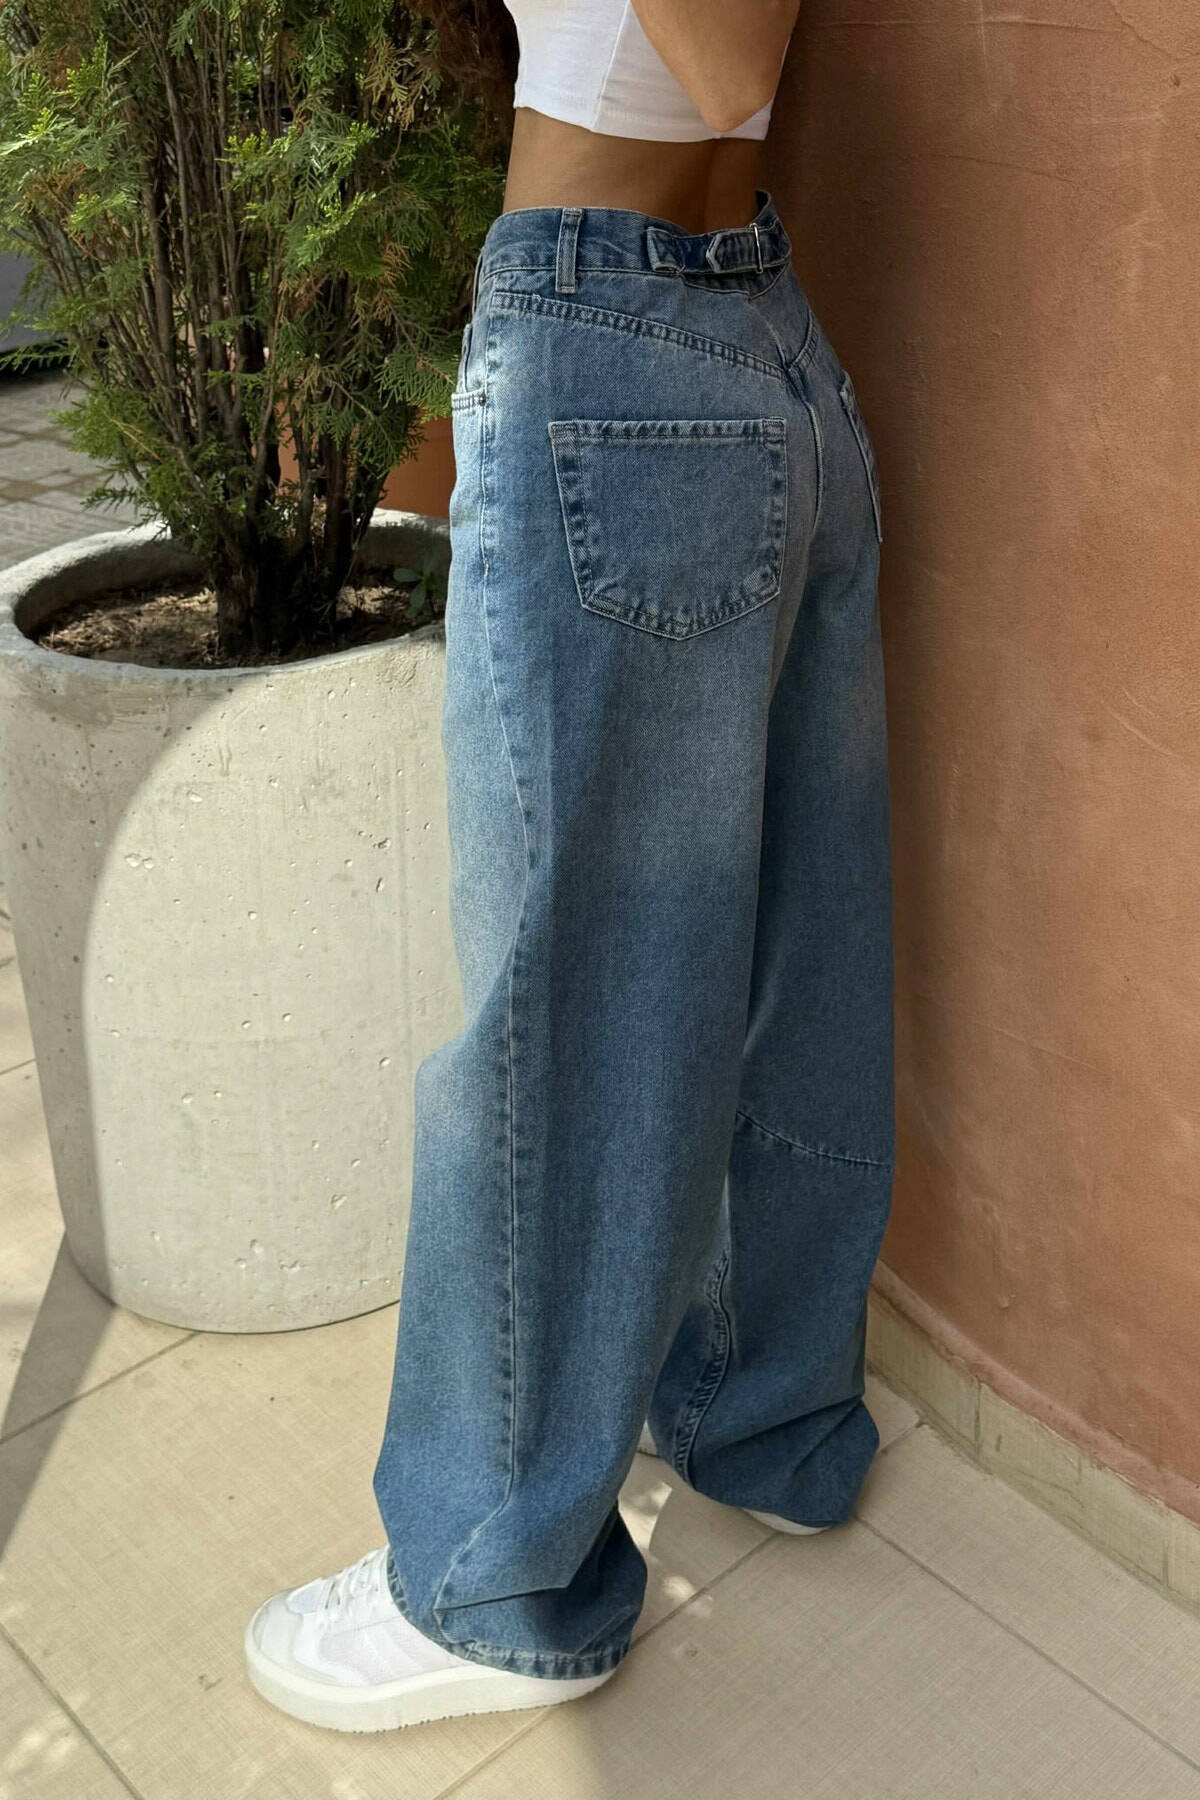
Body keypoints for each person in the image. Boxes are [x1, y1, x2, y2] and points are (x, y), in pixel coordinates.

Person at [244, 0, 895, 1734]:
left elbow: (731, 59)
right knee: (793, 947)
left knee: (570, 1002)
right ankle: (764, 1410)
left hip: (615, 348)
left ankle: (496, 1579)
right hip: (749, 337)